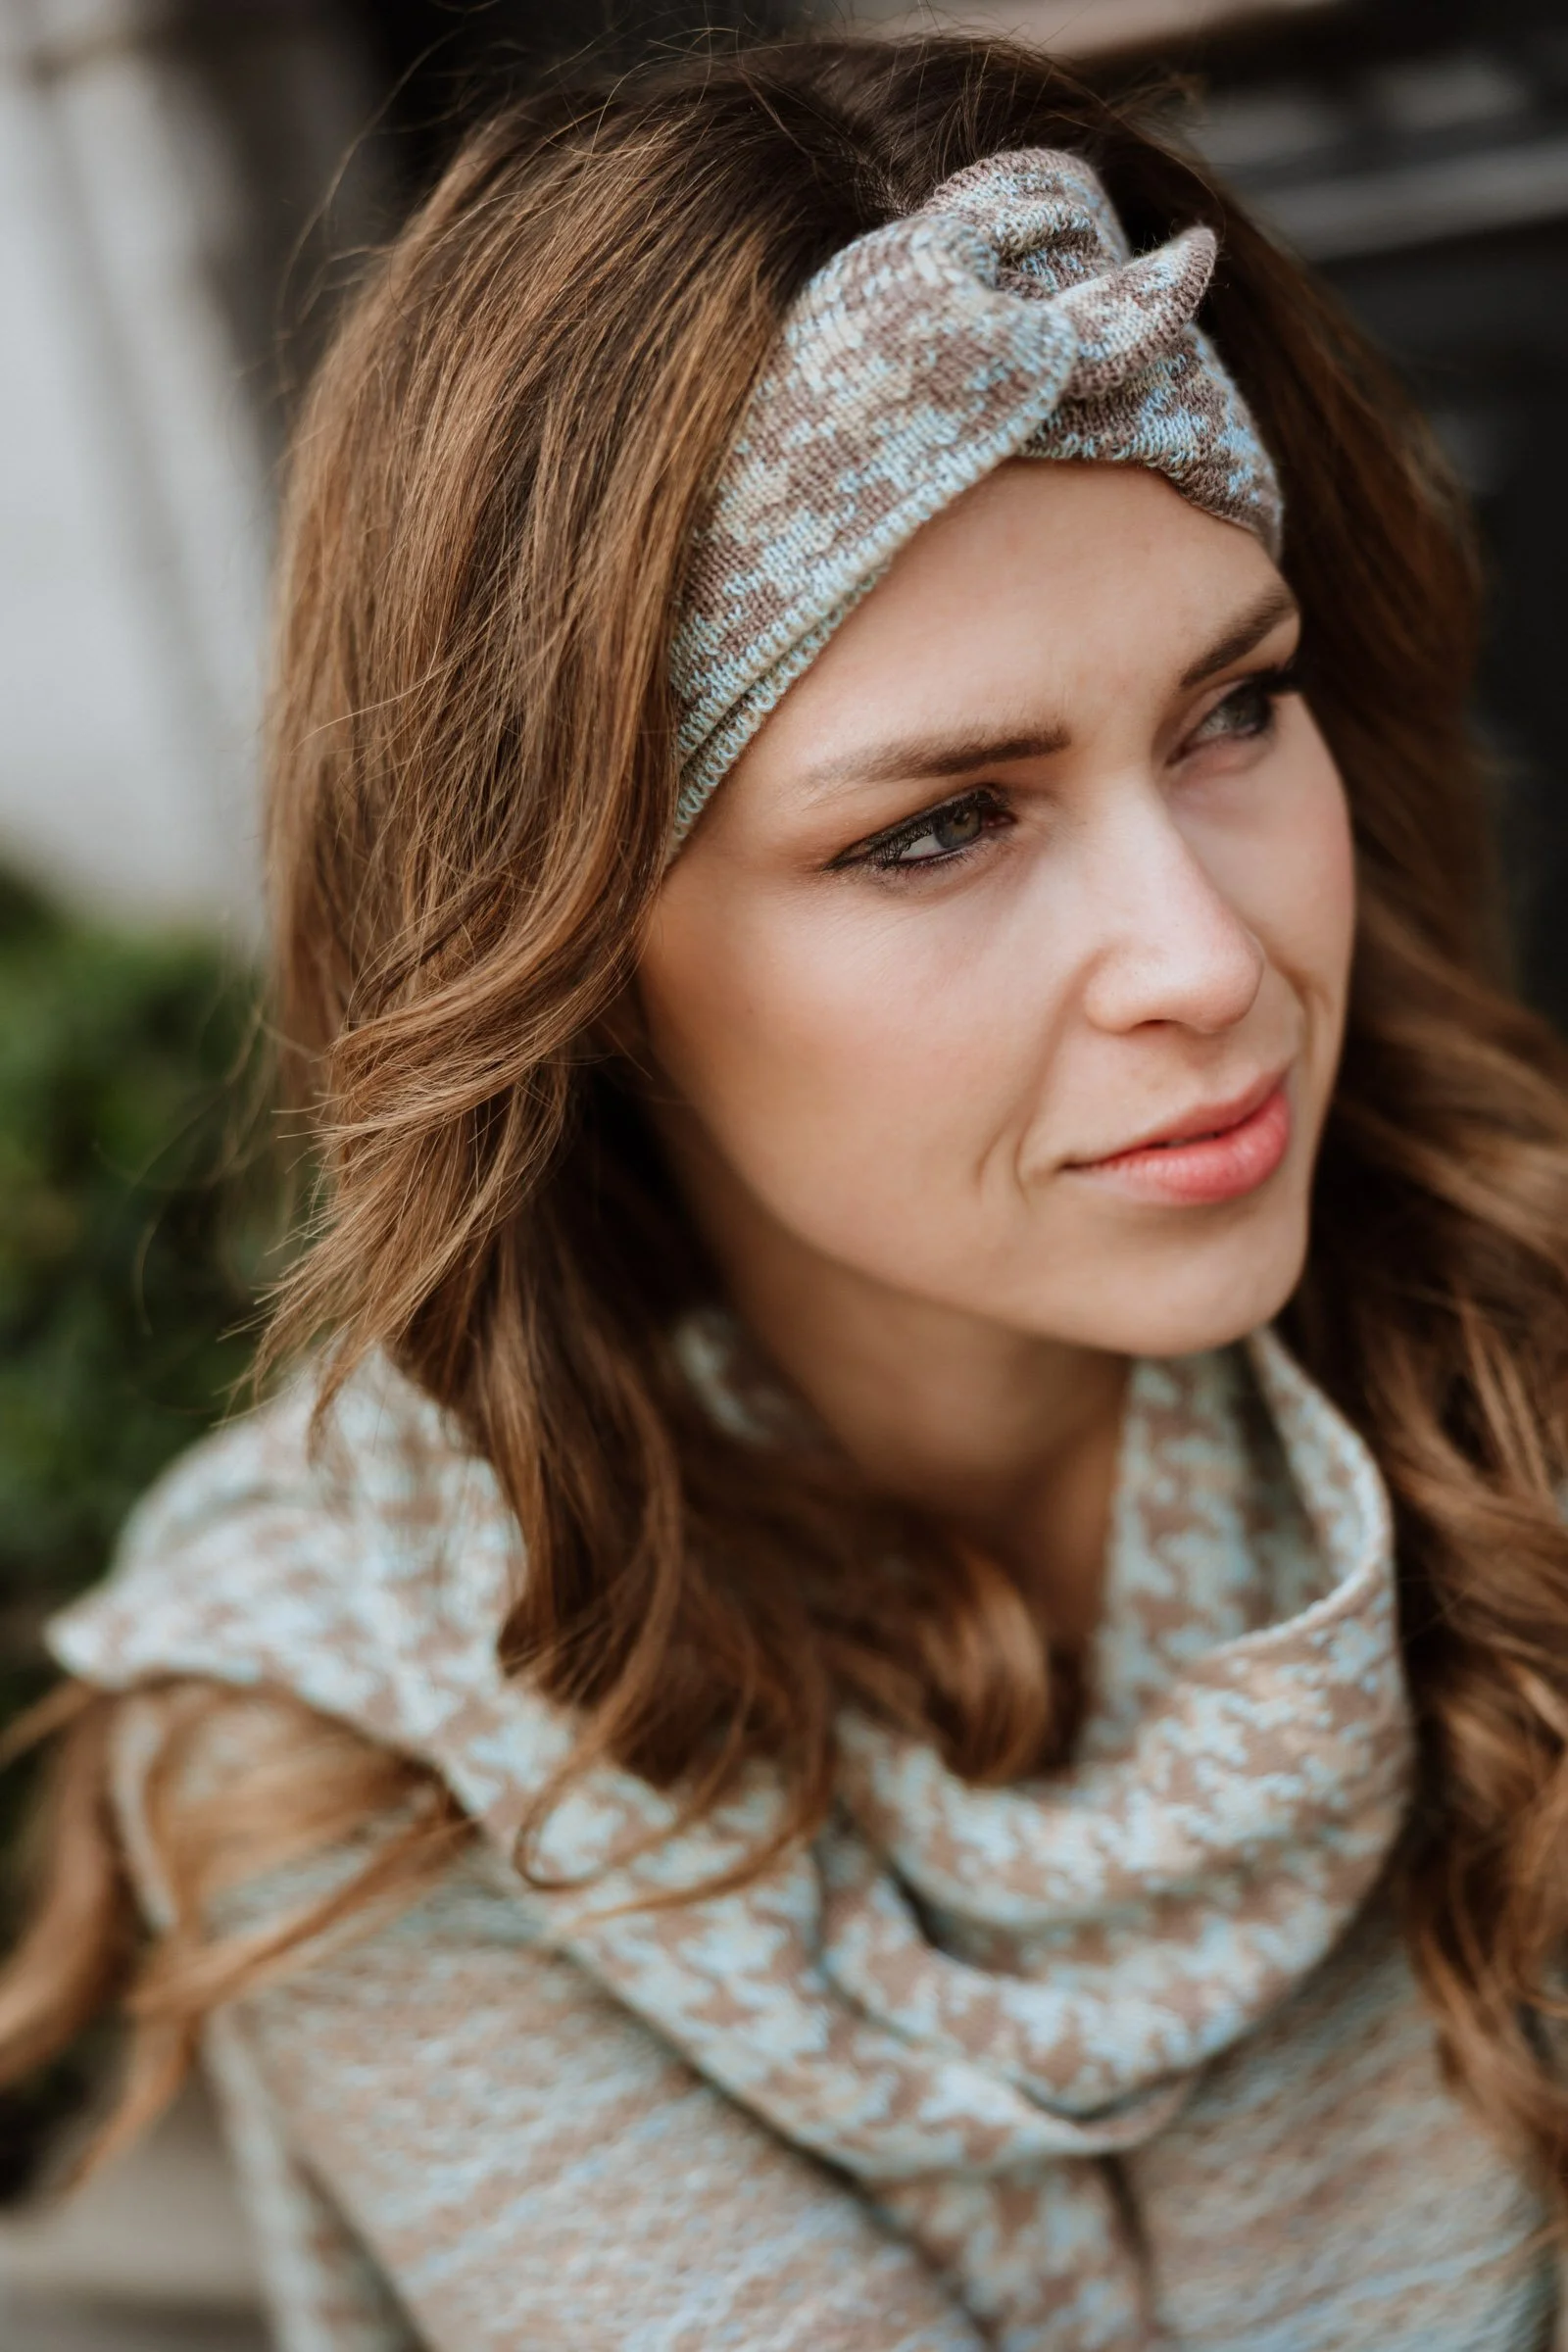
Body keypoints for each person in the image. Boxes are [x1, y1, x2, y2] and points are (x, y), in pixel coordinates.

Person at [5, 30, 1568, 2352]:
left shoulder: (1513, 1407)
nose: (1203, 958)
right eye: (935, 827)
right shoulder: (367, 1730)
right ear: (571, 959)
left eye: (1230, 709)